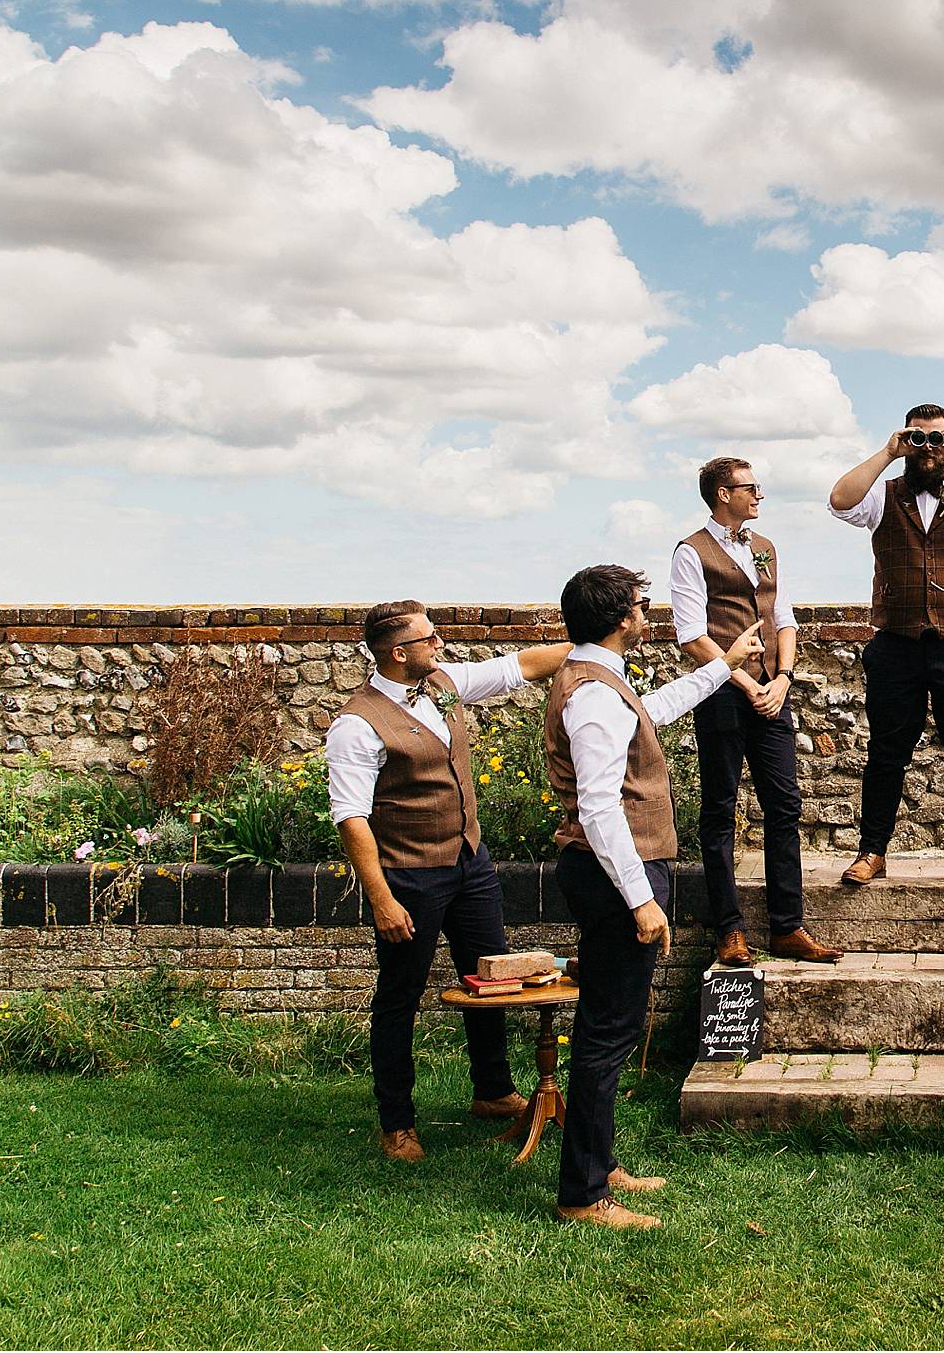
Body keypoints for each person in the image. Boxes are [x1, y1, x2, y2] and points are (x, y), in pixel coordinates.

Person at [544, 562, 760, 1231]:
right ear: (620, 620)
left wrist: (721, 665)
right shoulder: (593, 695)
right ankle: (583, 1195)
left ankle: (601, 1163)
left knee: (610, 1024)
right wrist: (641, 899)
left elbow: (654, 711)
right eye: (640, 606)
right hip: (618, 874)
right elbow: (601, 809)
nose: (647, 615)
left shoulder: (603, 682)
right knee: (607, 1033)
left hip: (620, 872)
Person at [324, 598, 571, 1161]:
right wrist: (382, 900)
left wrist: (589, 646)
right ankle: (396, 1122)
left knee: (490, 978)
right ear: (398, 652)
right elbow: (351, 819)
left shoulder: (441, 682)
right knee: (399, 998)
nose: (441, 644)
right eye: (429, 638)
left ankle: (492, 1090)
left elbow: (521, 666)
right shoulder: (356, 725)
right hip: (409, 876)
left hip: (470, 865)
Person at [827, 403, 944, 885]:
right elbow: (840, 501)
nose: (929, 447)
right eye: (919, 437)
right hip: (896, 642)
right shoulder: (885, 495)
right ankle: (872, 851)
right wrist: (889, 452)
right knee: (886, 752)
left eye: (938, 438)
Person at [670, 453, 840, 968]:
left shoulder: (765, 547)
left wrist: (783, 679)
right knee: (720, 810)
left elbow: (782, 617)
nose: (759, 495)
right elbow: (691, 635)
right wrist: (741, 679)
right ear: (724, 494)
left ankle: (788, 927)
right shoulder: (690, 551)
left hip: (772, 690)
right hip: (723, 691)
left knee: (785, 805)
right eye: (751, 487)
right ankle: (730, 930)